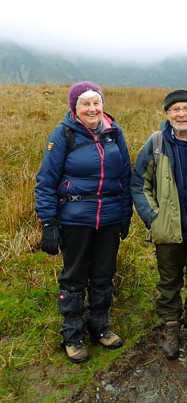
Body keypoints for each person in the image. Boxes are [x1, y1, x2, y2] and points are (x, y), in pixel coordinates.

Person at [35, 81, 132, 363]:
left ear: (103, 104)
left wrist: (125, 216)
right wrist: (49, 223)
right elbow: (46, 182)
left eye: (96, 102)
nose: (92, 108)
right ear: (74, 108)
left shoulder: (115, 133)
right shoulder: (64, 134)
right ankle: (73, 334)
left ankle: (100, 326)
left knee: (103, 274)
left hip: (110, 218)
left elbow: (125, 178)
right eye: (85, 104)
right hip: (76, 218)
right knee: (74, 277)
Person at [131, 89, 187, 359]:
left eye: (186, 108)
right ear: (167, 113)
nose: (181, 114)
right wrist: (153, 217)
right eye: (175, 109)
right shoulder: (156, 143)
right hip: (168, 229)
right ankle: (171, 328)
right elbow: (139, 184)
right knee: (169, 282)